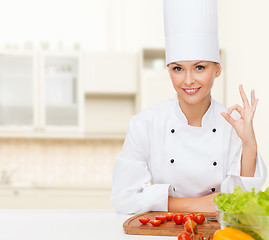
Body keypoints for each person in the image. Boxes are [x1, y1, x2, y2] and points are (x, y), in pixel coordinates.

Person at [111, 0, 267, 214]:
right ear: (168, 70)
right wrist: (203, 204)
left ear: (217, 69)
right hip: (162, 232)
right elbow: (123, 198)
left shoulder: (232, 126)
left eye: (199, 67)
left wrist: (249, 142)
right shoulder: (144, 124)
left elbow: (244, 199)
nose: (188, 80)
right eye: (178, 69)